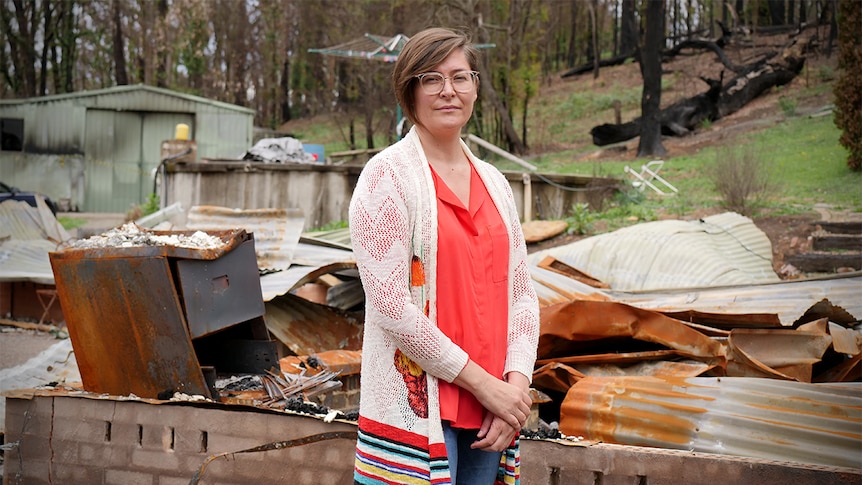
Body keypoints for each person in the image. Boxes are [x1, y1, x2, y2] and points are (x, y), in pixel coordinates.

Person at [349, 27, 540, 485]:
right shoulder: (386, 179)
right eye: (431, 79)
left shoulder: (495, 183)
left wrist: (514, 387)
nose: (448, 90)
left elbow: (522, 295)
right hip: (426, 406)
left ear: (475, 87)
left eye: (460, 76)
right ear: (409, 91)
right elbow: (392, 306)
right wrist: (483, 383)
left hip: (492, 411)